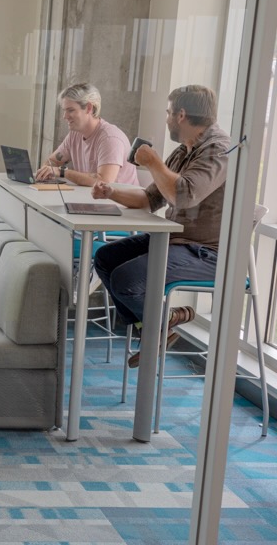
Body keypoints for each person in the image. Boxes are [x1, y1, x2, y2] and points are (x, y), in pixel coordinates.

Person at [92, 85, 228, 367]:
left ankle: (160, 325)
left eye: (168, 113)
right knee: (105, 258)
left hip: (206, 252)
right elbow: (150, 198)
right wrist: (111, 192)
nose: (166, 119)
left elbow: (184, 194)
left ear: (181, 115)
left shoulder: (217, 150)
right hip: (176, 239)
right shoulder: (183, 151)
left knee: (127, 280)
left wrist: (153, 161)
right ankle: (157, 325)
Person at [35, 82, 140, 187]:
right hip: (91, 199)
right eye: (64, 110)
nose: (64, 116)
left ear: (89, 108)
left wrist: (62, 172)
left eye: (70, 110)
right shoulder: (74, 135)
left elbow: (104, 181)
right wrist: (47, 170)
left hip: (118, 203)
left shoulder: (110, 138)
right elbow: (53, 161)